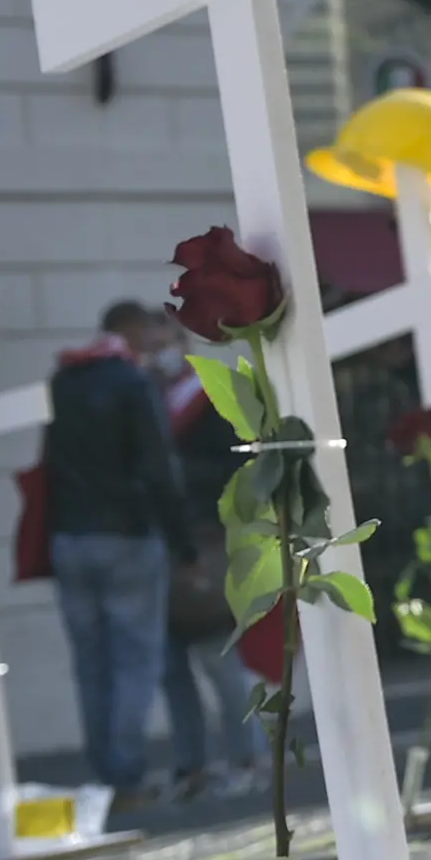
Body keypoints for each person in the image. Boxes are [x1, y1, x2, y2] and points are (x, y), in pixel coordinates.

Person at [40, 301, 189, 799]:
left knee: (91, 664)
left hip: (71, 537)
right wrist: (183, 543)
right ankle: (125, 773)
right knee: (135, 662)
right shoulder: (132, 383)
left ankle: (102, 772)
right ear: (131, 330)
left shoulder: (64, 380)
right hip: (128, 536)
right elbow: (158, 466)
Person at [148, 314, 253, 797]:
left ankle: (247, 756)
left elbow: (235, 465)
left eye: (165, 343)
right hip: (159, 546)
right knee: (171, 668)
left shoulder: (208, 398)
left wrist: (177, 472)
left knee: (220, 658)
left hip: (206, 540)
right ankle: (192, 766)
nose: (159, 355)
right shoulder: (146, 400)